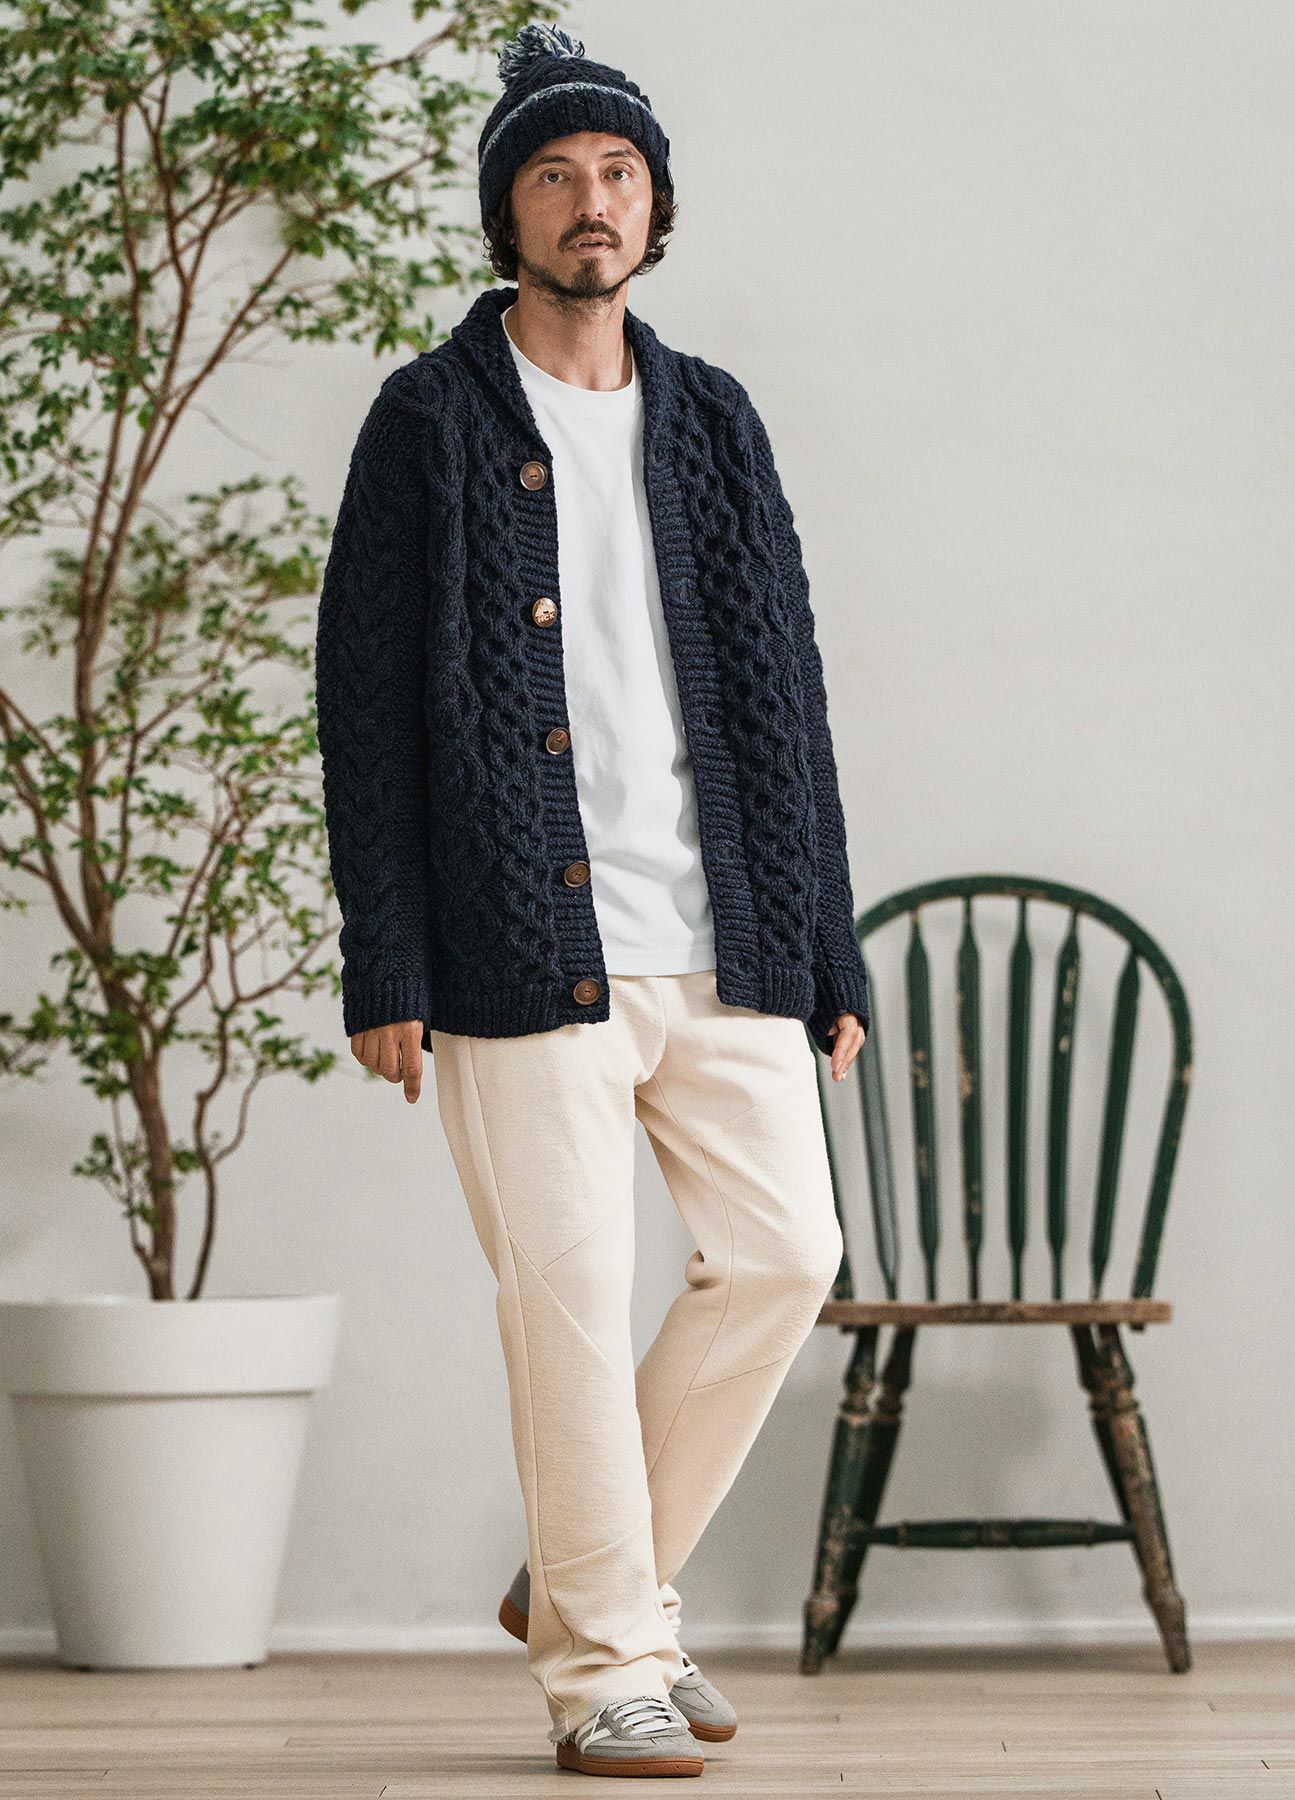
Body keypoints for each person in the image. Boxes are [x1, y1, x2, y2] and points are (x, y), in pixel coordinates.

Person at [314, 21, 870, 1779]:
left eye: (617, 173)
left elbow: (786, 691)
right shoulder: (429, 421)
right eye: (554, 176)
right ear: (510, 215)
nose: (590, 202)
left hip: (724, 936)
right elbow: (364, 705)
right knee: (563, 1300)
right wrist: (386, 956)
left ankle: (587, 1583)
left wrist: (828, 941)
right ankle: (605, 1666)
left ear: (656, 207)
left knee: (785, 1257)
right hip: (515, 941)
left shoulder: (714, 420)